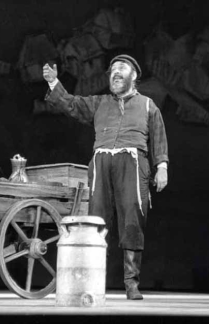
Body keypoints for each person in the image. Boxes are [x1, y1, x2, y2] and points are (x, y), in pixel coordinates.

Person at [42, 54, 169, 300]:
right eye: (112, 70)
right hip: (101, 161)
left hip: (132, 162)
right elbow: (71, 103)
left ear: (134, 75)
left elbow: (159, 135)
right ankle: (94, 280)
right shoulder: (100, 102)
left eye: (121, 68)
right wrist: (53, 83)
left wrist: (162, 166)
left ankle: (131, 283)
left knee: (133, 216)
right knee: (97, 220)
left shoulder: (147, 104)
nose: (115, 72)